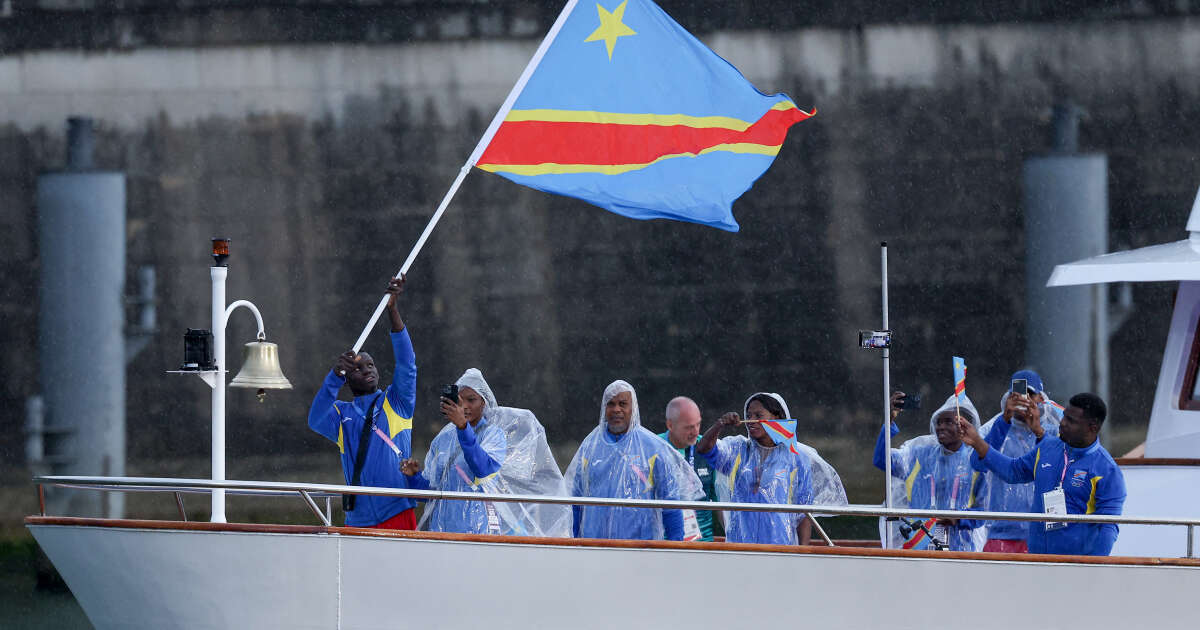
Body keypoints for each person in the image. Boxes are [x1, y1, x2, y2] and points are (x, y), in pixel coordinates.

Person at [401, 368, 571, 537]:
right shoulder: (443, 439)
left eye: (471, 400)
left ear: (484, 402)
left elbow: (483, 470)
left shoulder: (493, 434)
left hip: (479, 532)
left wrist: (463, 428)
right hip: (442, 532)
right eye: (460, 400)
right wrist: (414, 477)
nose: (465, 406)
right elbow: (432, 493)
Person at [307, 276, 418, 529]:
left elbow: (407, 364)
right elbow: (315, 420)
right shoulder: (341, 414)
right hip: (357, 518)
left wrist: (393, 311)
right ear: (347, 379)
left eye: (371, 365)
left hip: (397, 510)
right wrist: (333, 378)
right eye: (357, 368)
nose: (367, 370)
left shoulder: (396, 402)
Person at [963, 392, 1126, 556]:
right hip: (1037, 560)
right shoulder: (1048, 447)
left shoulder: (1107, 470)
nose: (1062, 423)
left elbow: (1108, 528)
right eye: (1064, 417)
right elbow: (1013, 471)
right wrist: (977, 442)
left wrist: (1094, 568)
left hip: (1075, 566)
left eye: (1071, 421)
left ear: (1093, 428)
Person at [564, 380, 703, 541]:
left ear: (633, 408)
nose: (616, 409)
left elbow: (671, 505)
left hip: (641, 550)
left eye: (623, 404)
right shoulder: (590, 447)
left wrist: (676, 547)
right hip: (595, 548)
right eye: (611, 404)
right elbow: (575, 502)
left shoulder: (653, 448)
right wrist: (574, 542)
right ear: (604, 408)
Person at [875, 392, 986, 551]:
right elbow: (881, 460)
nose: (941, 426)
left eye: (948, 422)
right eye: (939, 422)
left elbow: (984, 512)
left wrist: (957, 520)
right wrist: (889, 420)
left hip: (961, 551)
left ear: (965, 425)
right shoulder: (919, 455)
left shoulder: (975, 461)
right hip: (919, 548)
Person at [697, 393, 813, 545]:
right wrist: (719, 425)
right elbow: (704, 449)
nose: (751, 420)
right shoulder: (737, 449)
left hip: (781, 548)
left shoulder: (797, 458)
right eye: (748, 415)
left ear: (777, 418)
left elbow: (804, 512)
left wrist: (802, 553)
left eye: (758, 415)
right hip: (740, 547)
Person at [976, 370, 1063, 553]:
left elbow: (1063, 469)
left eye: (1029, 395)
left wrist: (1039, 431)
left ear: (1040, 398)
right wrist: (1004, 420)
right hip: (1002, 534)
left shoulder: (1055, 431)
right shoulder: (995, 427)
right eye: (1016, 395)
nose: (1023, 400)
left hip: (1046, 531)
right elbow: (977, 465)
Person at [657, 396, 722, 541]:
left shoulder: (707, 449)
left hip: (703, 546)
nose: (695, 431)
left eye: (698, 424)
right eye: (688, 427)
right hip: (664, 546)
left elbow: (720, 503)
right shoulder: (653, 448)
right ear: (670, 425)